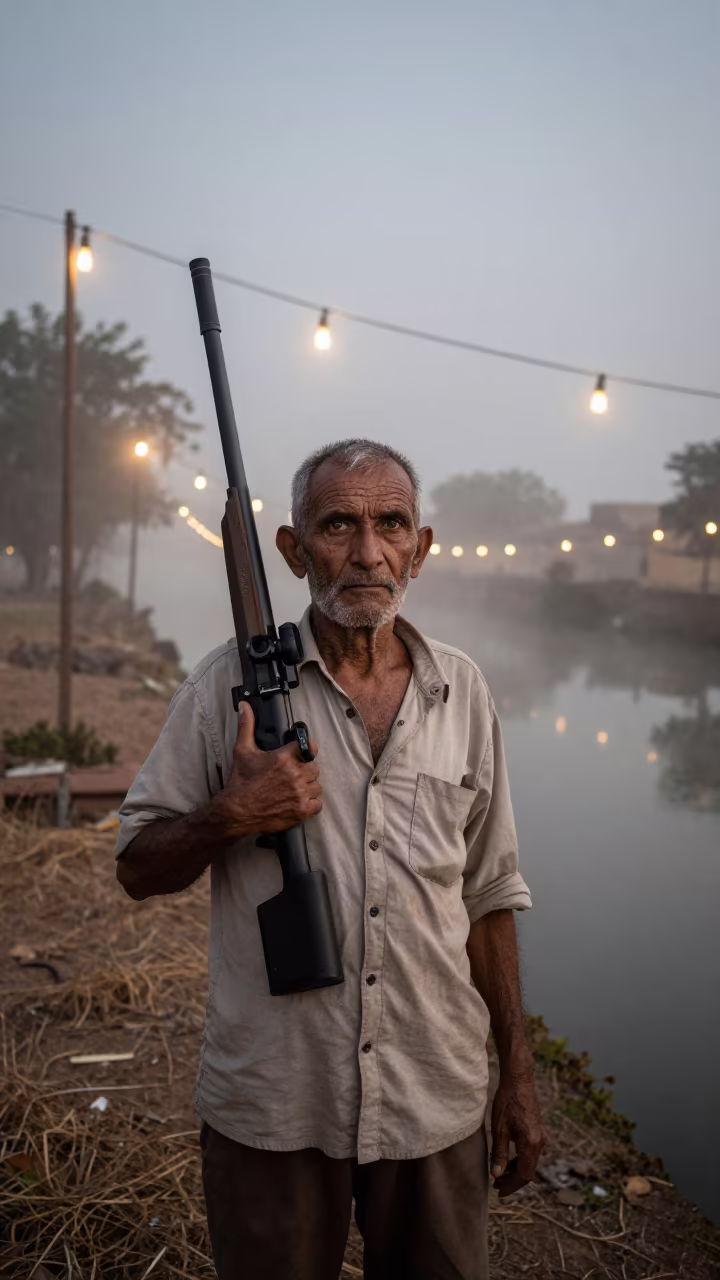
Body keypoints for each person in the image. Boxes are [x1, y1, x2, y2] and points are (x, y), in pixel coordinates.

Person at [116, 438, 545, 1280]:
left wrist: (518, 1079)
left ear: (420, 549)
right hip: (276, 1103)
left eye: (391, 524)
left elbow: (490, 893)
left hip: (434, 1098)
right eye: (338, 524)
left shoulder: (462, 692)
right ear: (292, 548)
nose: (367, 551)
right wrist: (231, 815)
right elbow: (137, 863)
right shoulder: (224, 691)